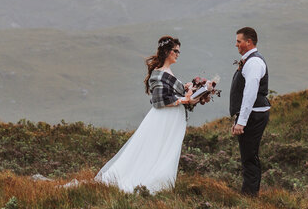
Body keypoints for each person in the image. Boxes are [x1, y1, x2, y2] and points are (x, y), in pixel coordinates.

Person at [95, 36, 207, 193]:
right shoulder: (158, 73)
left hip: (173, 119)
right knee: (156, 148)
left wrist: (194, 92)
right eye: (175, 51)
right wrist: (184, 99)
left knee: (167, 149)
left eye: (179, 52)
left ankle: (161, 183)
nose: (178, 54)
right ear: (167, 51)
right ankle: (150, 183)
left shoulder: (167, 72)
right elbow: (159, 99)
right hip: (163, 118)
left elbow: (174, 94)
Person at [229, 26, 270, 196]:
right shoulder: (249, 60)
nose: (236, 45)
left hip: (254, 114)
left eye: (239, 41)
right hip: (252, 113)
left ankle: (249, 196)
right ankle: (249, 194)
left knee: (249, 156)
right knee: (247, 154)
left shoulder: (253, 62)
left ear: (249, 42)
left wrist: (241, 122)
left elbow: (250, 94)